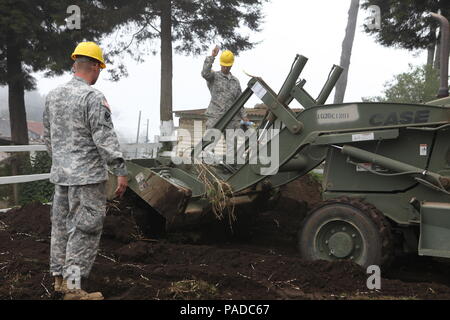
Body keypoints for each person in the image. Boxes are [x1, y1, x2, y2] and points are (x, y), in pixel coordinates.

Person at [43, 41, 128, 300]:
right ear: (94, 66)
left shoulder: (52, 96)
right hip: (88, 179)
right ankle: (73, 289)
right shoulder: (92, 97)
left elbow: (48, 139)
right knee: (85, 230)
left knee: (61, 227)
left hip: (62, 177)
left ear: (74, 64)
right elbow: (104, 138)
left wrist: (63, 162)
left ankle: (60, 280)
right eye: (100, 67)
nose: (100, 72)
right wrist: (120, 170)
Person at [201, 46, 249, 130]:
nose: (225, 68)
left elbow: (239, 102)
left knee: (232, 142)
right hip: (214, 117)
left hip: (230, 119)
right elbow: (205, 73)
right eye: (224, 65)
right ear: (220, 64)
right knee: (209, 142)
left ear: (231, 65)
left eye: (228, 66)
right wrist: (212, 57)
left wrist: (244, 117)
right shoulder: (214, 76)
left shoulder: (235, 82)